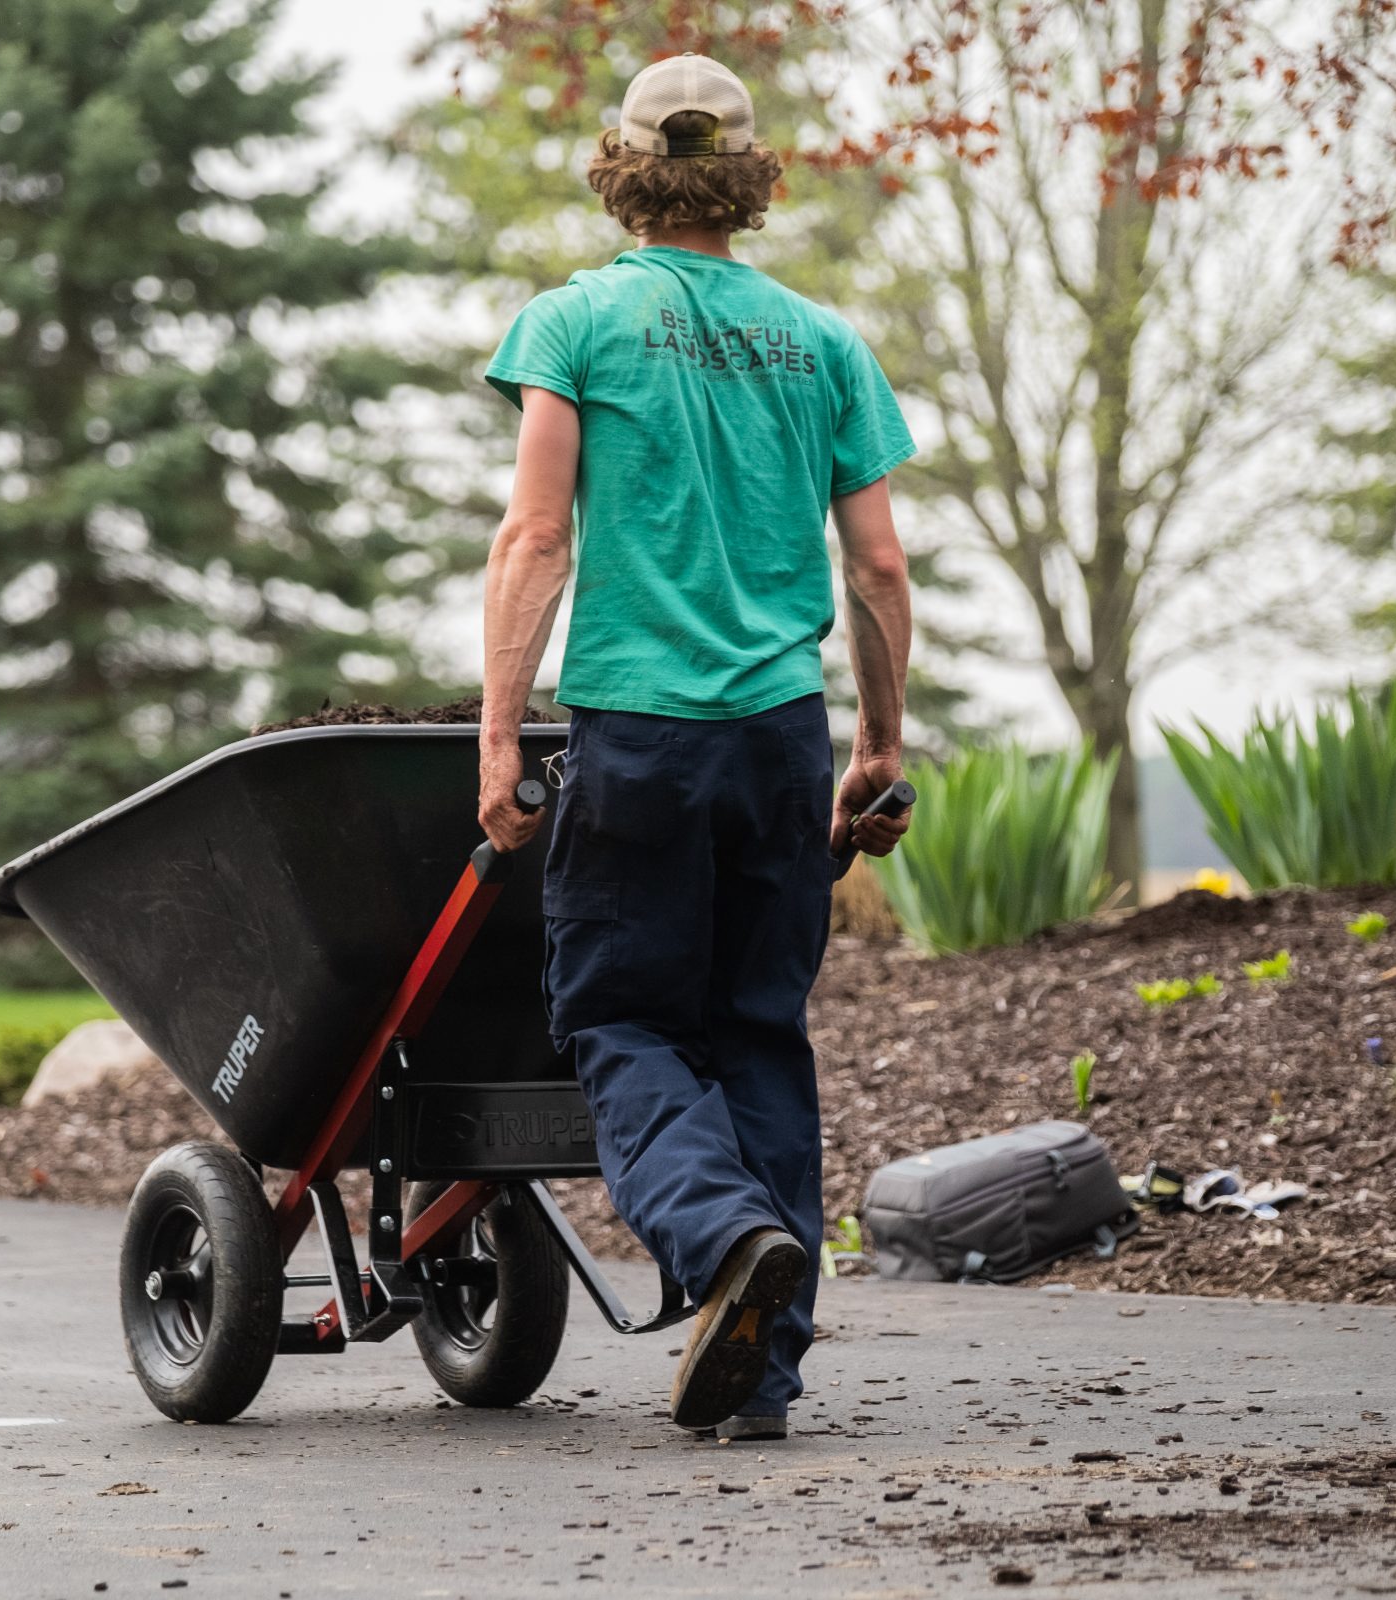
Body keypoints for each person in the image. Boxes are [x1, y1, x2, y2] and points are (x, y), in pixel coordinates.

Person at [474, 52, 916, 1442]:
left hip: (642, 741)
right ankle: (763, 1371)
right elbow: (884, 571)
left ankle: (721, 1239)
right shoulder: (824, 341)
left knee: (620, 1019)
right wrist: (879, 748)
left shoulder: (578, 322)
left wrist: (499, 731)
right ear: (747, 178)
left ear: (623, 170)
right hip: (782, 743)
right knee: (757, 1036)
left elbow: (538, 536)